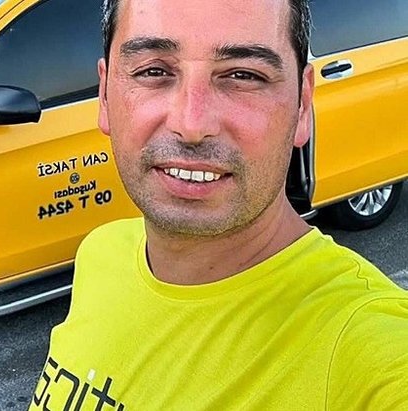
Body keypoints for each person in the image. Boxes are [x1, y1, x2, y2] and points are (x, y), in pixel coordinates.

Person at [30, 0, 408, 409]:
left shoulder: (366, 347)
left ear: (302, 105)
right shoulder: (101, 253)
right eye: (153, 71)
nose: (191, 125)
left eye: (243, 75)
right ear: (104, 95)